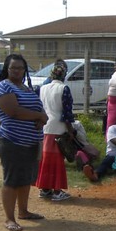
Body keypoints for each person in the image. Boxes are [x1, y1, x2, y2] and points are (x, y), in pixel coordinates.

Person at [0, 54, 48, 231]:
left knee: (25, 179)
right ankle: (9, 218)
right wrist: (39, 116)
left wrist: (42, 118)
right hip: (12, 141)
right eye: (13, 68)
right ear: (7, 69)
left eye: (20, 68)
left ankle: (23, 211)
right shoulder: (4, 87)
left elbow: (36, 108)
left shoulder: (24, 87)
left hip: (30, 141)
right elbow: (13, 111)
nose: (17, 71)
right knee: (12, 180)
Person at [35, 60, 74, 202]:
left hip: (45, 127)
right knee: (57, 159)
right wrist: (70, 131)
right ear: (64, 75)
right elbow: (67, 114)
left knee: (45, 158)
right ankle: (57, 191)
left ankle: (45, 189)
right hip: (58, 128)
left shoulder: (42, 88)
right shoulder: (64, 89)